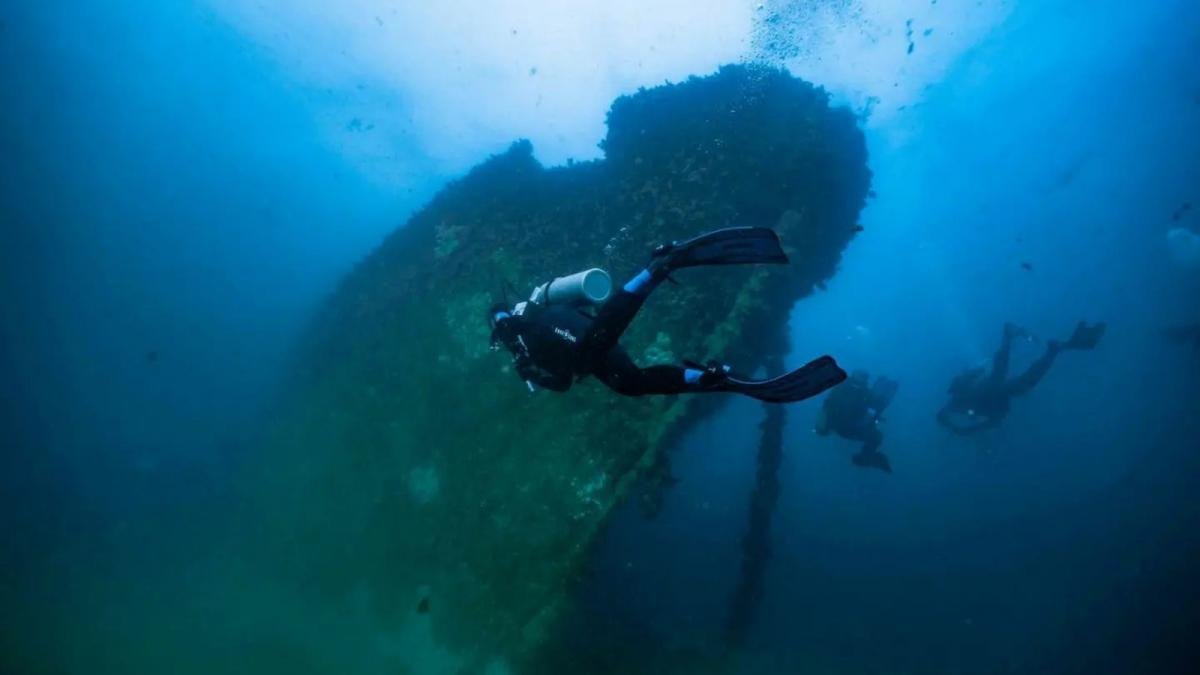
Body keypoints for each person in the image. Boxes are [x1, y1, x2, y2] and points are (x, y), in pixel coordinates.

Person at [488, 227, 847, 403]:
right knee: (631, 384)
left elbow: (528, 334)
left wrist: (514, 340)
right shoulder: (522, 351)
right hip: (590, 353)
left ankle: (659, 267)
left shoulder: (517, 326)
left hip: (580, 338)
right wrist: (532, 371)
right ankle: (706, 378)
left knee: (594, 342)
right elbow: (563, 382)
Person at [937, 321, 1106, 435]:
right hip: (993, 393)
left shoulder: (960, 402)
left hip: (989, 391)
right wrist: (965, 430)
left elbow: (942, 415)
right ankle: (1045, 347)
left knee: (1013, 382)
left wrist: (962, 430)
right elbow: (991, 420)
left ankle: (1020, 338)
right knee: (1013, 381)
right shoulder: (972, 408)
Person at [815, 370, 898, 473]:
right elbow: (868, 409)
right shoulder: (859, 391)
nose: (865, 379)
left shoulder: (843, 388)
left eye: (866, 377)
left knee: (876, 434)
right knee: (877, 436)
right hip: (849, 428)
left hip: (840, 427)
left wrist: (824, 427)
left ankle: (865, 458)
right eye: (863, 377)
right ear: (856, 376)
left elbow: (827, 406)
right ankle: (864, 458)